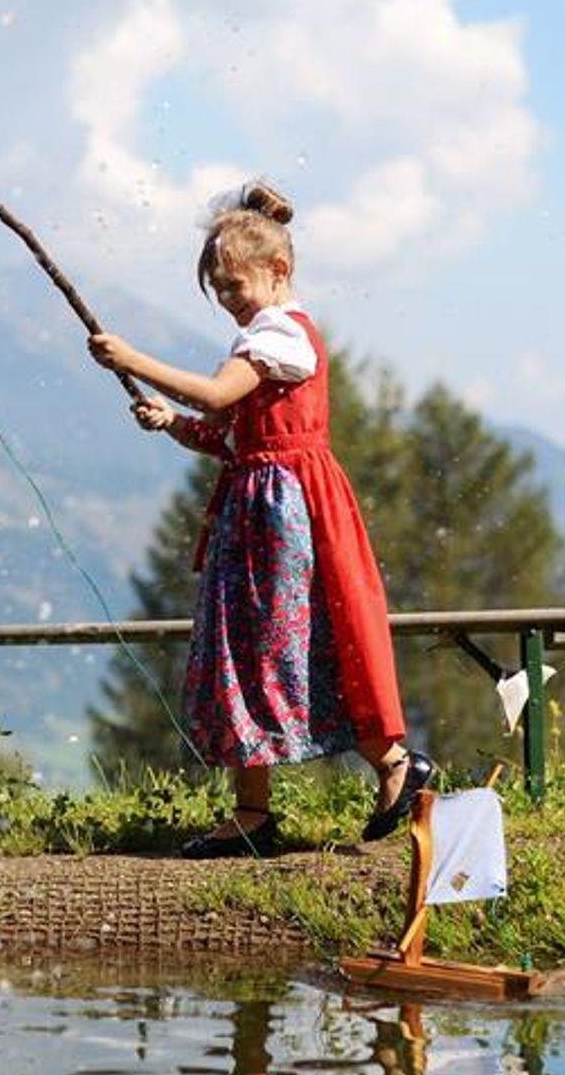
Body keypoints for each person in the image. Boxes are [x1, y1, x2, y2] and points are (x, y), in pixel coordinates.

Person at [88, 182, 431, 858]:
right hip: (258, 513)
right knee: (251, 650)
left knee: (295, 644)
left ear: (278, 270)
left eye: (234, 284)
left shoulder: (281, 335)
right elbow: (233, 434)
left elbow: (219, 396)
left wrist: (133, 361)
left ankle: (393, 764)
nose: (227, 298)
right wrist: (172, 423)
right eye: (217, 289)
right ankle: (254, 811)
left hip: (284, 519)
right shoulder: (263, 339)